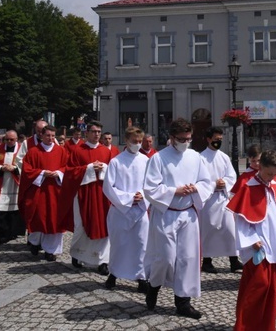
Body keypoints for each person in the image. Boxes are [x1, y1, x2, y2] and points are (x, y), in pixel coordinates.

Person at [142, 118, 212, 319]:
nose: (186, 142)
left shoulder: (195, 157)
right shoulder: (158, 158)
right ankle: (153, 286)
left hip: (188, 213)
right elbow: (150, 188)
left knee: (188, 259)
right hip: (166, 213)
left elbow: (206, 181)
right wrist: (175, 191)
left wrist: (195, 188)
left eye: (189, 139)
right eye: (182, 139)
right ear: (171, 138)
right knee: (165, 258)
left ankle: (183, 302)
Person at [227, 150, 276, 331]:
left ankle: (266, 326)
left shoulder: (275, 186)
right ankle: (244, 326)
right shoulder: (248, 187)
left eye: (275, 174)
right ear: (260, 167)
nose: (272, 178)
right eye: (269, 173)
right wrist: (251, 239)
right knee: (257, 286)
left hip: (274, 244)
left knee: (272, 290)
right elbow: (241, 218)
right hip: (257, 248)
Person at [102, 126, 150, 292]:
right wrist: (129, 198)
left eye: (139, 141)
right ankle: (114, 273)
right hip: (121, 211)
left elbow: (152, 184)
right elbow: (109, 187)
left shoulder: (146, 161)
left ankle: (141, 277)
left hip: (141, 210)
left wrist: (143, 195)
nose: (137, 144)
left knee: (141, 244)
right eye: (134, 141)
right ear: (126, 140)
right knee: (119, 244)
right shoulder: (116, 162)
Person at [64, 122, 112, 274]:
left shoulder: (106, 151)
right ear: (87, 133)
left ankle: (103, 260)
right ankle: (78, 254)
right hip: (84, 193)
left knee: (104, 224)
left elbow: (114, 170)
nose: (97, 134)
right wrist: (89, 168)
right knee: (82, 225)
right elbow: (70, 172)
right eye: (93, 131)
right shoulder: (78, 151)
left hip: (102, 194)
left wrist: (104, 168)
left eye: (99, 131)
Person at [19, 125, 70, 261]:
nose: (51, 138)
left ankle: (50, 250)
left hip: (56, 191)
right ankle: (35, 242)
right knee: (38, 218)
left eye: (53, 136)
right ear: (41, 135)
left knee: (54, 220)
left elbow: (67, 167)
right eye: (48, 135)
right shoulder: (33, 152)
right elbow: (27, 170)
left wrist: (58, 173)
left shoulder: (61, 151)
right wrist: (42, 173)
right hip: (38, 191)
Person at [199, 126, 242, 274]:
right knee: (209, 230)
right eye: (216, 140)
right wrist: (213, 185)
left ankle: (234, 260)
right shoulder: (201, 158)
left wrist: (225, 183)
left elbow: (232, 175)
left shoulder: (224, 157)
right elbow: (198, 179)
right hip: (209, 200)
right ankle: (207, 261)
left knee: (230, 230)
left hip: (223, 198)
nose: (218, 142)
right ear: (209, 139)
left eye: (221, 140)